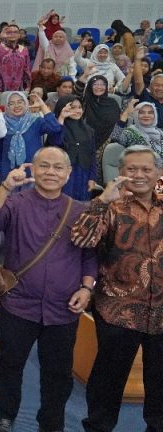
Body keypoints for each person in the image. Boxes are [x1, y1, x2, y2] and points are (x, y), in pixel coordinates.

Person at [0, 147, 96, 432]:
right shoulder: (16, 203)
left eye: (58, 168)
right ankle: (5, 415)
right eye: (44, 166)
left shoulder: (79, 210)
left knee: (58, 372)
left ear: (68, 174)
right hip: (18, 303)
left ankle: (51, 421)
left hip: (63, 307)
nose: (51, 172)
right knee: (9, 364)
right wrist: (7, 185)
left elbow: (90, 255)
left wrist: (87, 288)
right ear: (33, 169)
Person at [71, 146, 163, 432]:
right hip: (117, 310)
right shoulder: (110, 205)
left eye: (146, 169)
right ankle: (98, 427)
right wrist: (101, 201)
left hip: (161, 312)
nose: (139, 175)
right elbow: (81, 240)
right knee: (107, 380)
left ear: (158, 173)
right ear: (120, 172)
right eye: (131, 169)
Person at [0, 91, 61, 183]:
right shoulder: (2, 122)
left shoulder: (35, 120)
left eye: (20, 102)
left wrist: (42, 106)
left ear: (26, 103)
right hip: (8, 173)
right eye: (11, 103)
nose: (16, 106)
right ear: (7, 106)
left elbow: (55, 128)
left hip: (33, 171)